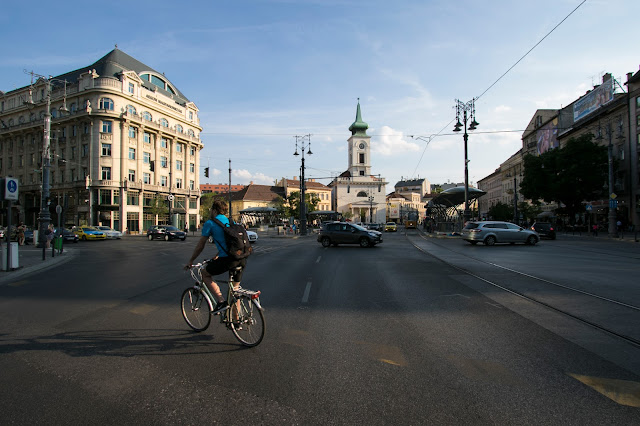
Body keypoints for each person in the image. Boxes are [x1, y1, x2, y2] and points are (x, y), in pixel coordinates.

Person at [185, 200, 246, 314]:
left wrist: (191, 260)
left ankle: (221, 301)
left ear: (214, 210)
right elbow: (229, 243)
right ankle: (237, 322)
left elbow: (200, 245)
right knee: (234, 290)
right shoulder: (230, 221)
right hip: (241, 258)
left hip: (228, 260)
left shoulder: (210, 223)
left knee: (204, 273)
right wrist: (217, 255)